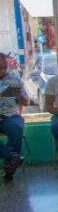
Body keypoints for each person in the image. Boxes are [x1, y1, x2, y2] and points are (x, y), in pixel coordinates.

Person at [0, 52, 28, 181]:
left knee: (17, 126)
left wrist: (19, 96)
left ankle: (9, 168)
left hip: (11, 115)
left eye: (5, 67)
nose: (3, 70)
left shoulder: (14, 79)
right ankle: (11, 157)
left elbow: (26, 102)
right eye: (0, 67)